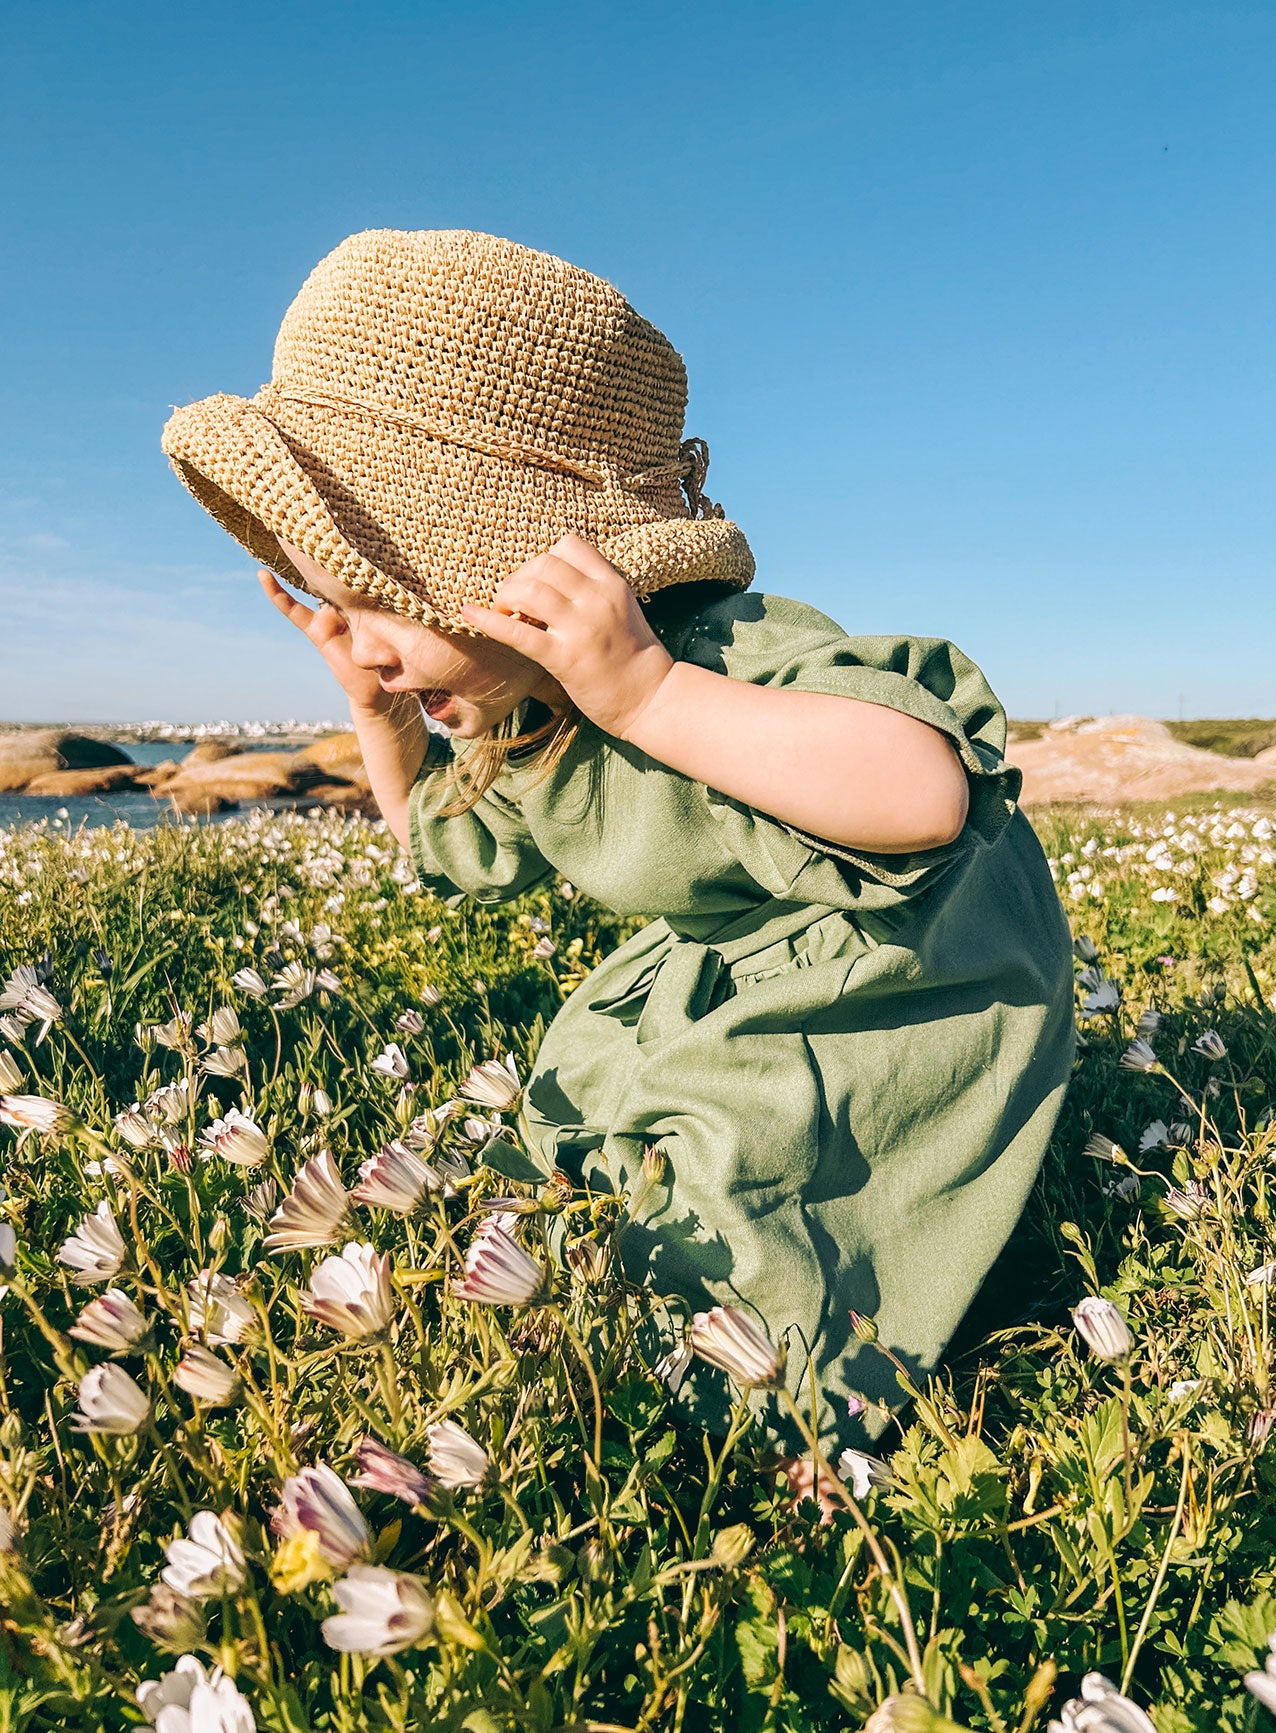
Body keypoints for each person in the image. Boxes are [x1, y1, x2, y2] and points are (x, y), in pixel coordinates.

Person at [161, 228, 1077, 1491]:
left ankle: (747, 1423)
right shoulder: (528, 716)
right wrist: (376, 711)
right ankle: (576, 1312)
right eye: (334, 607)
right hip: (728, 969)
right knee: (571, 1128)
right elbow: (440, 844)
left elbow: (925, 795)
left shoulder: (705, 656)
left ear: (511, 574)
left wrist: (649, 697)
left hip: (898, 984)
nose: (359, 646)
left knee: (735, 1189)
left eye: (380, 603)